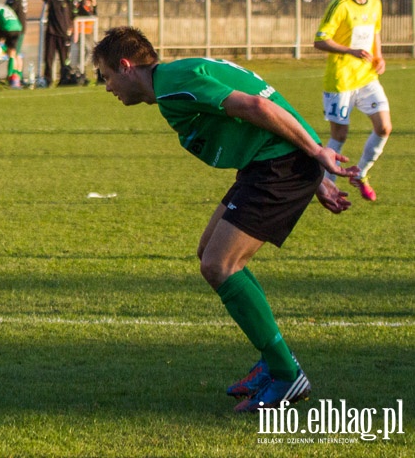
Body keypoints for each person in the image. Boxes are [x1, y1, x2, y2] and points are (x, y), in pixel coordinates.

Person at [92, 26, 355, 412]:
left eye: (106, 76)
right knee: (209, 255)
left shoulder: (175, 84)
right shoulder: (179, 75)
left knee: (220, 265)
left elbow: (261, 108)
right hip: (269, 163)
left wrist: (316, 154)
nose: (107, 87)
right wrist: (316, 174)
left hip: (277, 166)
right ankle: (274, 362)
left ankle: (286, 374)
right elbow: (271, 102)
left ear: (127, 66)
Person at [313, 0, 392, 202]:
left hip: (366, 77)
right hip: (341, 80)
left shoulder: (376, 4)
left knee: (384, 127)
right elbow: (320, 40)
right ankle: (328, 186)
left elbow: (375, 32)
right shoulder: (340, 5)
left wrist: (379, 57)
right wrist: (349, 51)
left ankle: (361, 174)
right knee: (339, 136)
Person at [39, 0, 75, 88]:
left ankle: (64, 79)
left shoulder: (69, 0)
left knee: (64, 59)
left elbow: (74, 17)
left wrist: (72, 30)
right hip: (52, 33)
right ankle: (48, 80)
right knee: (49, 58)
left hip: (64, 34)